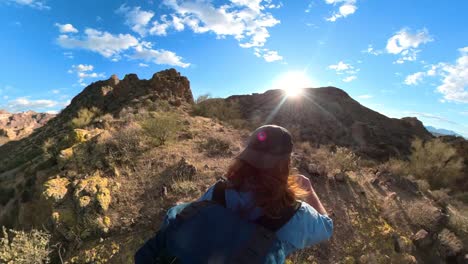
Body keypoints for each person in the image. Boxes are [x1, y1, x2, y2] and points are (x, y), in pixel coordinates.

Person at [135, 125, 333, 263]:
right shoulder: (296, 214)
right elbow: (327, 227)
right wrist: (310, 191)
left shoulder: (219, 191)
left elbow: (192, 216)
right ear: (286, 164)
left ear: (245, 156)